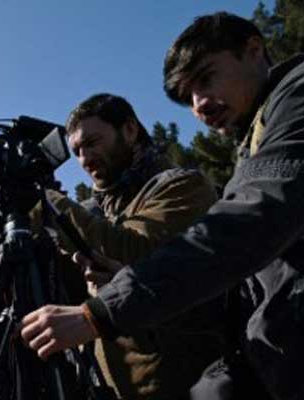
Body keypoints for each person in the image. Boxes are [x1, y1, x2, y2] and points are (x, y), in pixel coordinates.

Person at [20, 11, 304, 400]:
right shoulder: (252, 146)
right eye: (187, 96)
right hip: (275, 361)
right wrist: (122, 287)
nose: (198, 105)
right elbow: (241, 292)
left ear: (254, 50)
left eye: (206, 78)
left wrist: (102, 311)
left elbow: (246, 228)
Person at [33, 93, 223, 399]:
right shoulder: (96, 213)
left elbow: (131, 251)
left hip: (182, 384)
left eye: (92, 142)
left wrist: (48, 204)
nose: (84, 158)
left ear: (130, 130)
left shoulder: (183, 186)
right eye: (77, 151)